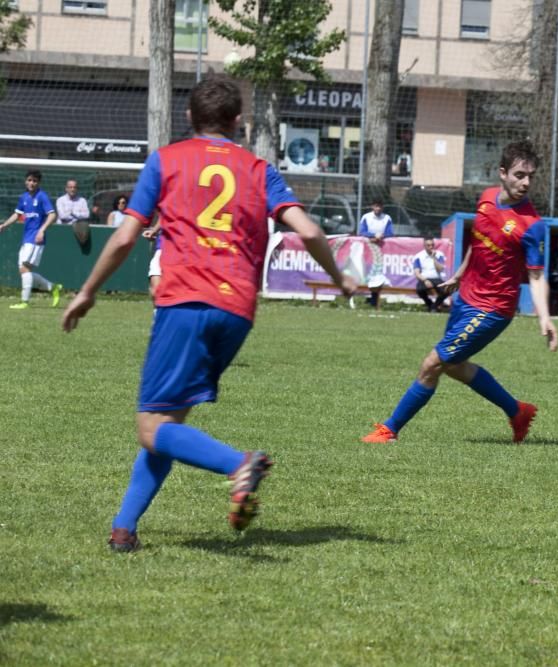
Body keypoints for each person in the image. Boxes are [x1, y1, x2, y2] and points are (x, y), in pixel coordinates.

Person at [60, 76, 356, 553]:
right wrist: (339, 277)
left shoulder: (167, 160)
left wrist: (88, 291)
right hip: (237, 310)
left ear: (188, 118)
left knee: (152, 427)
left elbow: (123, 237)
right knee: (167, 423)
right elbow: (311, 231)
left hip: (185, 302)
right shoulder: (260, 169)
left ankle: (238, 463)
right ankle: (123, 529)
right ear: (238, 123)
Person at [362, 140, 557, 444]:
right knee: (452, 366)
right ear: (503, 173)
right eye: (519, 175)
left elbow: (536, 276)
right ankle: (516, 411)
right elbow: (479, 244)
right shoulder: (487, 198)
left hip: (493, 308)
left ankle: (390, 430)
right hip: (466, 297)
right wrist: (458, 274)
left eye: (531, 176)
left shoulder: (533, 226)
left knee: (432, 364)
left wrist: (544, 317)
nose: (526, 182)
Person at [0, 170, 61, 309]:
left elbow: (52, 215)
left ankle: (24, 301)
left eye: (34, 181)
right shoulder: (24, 197)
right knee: (24, 270)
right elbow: (17, 214)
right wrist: (4, 225)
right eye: (29, 180)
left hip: (36, 238)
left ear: (38, 183)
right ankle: (53, 287)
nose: (31, 183)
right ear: (25, 181)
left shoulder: (42, 196)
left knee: (24, 268)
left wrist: (42, 230)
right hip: (26, 238)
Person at [359, 199, 393, 307]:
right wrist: (373, 236)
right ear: (372, 207)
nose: (377, 209)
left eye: (380, 206)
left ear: (382, 207)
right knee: (368, 273)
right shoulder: (366, 217)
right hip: (368, 251)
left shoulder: (387, 218)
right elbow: (362, 232)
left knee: (378, 274)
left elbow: (390, 233)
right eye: (376, 206)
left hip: (382, 251)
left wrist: (380, 237)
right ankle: (369, 298)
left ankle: (374, 300)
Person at [413, 236, 448, 312]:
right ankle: (431, 305)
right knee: (419, 290)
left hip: (437, 279)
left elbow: (440, 269)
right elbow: (417, 273)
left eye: (432, 245)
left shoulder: (439, 255)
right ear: (424, 246)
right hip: (425, 278)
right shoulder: (418, 256)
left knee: (447, 290)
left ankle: (434, 307)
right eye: (428, 245)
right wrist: (425, 280)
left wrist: (434, 258)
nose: (431, 247)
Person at [143, 218, 162, 298]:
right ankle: (157, 310)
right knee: (155, 291)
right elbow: (164, 216)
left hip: (185, 251)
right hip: (162, 249)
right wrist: (154, 231)